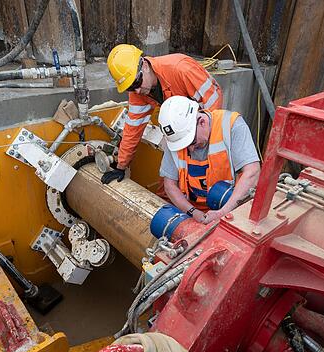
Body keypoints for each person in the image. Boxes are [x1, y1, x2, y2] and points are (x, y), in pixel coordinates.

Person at [102, 44, 223, 184]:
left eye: (136, 83)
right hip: (179, 135)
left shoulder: (181, 70)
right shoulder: (139, 92)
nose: (137, 91)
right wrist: (121, 166)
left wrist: (205, 145)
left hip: (203, 132)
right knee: (168, 184)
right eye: (130, 88)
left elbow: (214, 104)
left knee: (203, 181)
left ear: (145, 66)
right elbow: (133, 130)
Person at [157, 96, 260, 224]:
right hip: (193, 210)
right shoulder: (176, 136)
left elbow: (252, 172)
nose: (191, 149)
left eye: (192, 142)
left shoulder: (231, 124)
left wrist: (222, 213)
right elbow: (169, 185)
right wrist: (193, 212)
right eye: (184, 145)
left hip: (230, 207)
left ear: (202, 122)